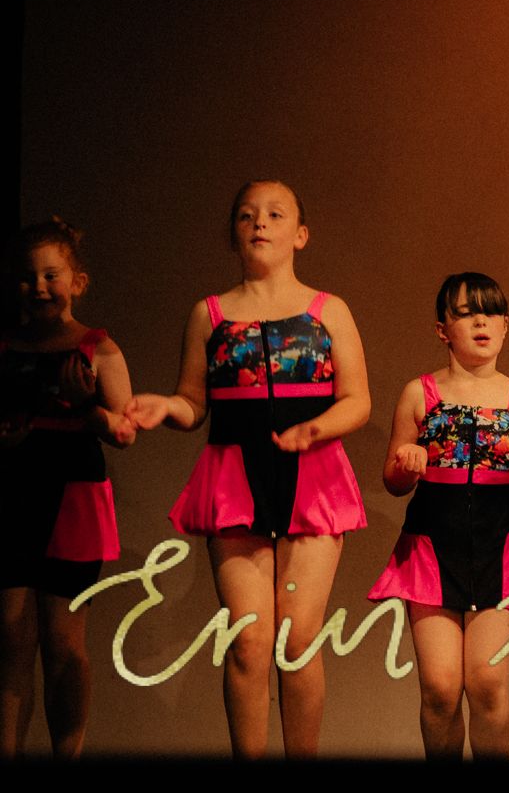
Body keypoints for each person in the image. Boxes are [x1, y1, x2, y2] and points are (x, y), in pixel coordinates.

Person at [127, 180, 371, 758]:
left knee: (298, 639)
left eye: (275, 214)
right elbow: (193, 403)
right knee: (248, 640)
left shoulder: (327, 310)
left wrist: (317, 427)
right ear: (233, 232)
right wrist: (167, 407)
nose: (259, 223)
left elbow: (358, 400)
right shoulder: (209, 314)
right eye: (246, 215)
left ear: (300, 234)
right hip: (235, 477)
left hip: (311, 478)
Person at [367, 272, 509, 760]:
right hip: (431, 548)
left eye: (489, 312)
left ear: (506, 326)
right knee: (441, 689)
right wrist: (409, 462)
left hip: (498, 547)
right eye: (465, 313)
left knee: (487, 683)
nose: (479, 321)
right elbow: (393, 480)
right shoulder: (418, 393)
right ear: (442, 329)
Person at [1, 220, 132, 758]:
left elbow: (124, 431)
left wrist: (85, 407)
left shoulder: (98, 349)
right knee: (9, 638)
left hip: (74, 495)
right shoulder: (5, 347)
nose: (38, 286)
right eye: (27, 276)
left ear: (77, 282)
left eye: (50, 275)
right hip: (12, 492)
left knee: (63, 641)